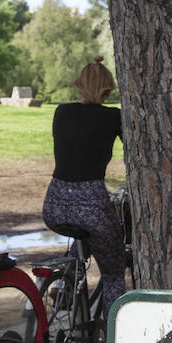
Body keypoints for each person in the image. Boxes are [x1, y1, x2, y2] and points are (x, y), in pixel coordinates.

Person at [42, 57, 126, 314]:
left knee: (82, 237)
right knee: (113, 273)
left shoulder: (62, 111)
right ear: (108, 88)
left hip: (54, 204)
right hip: (92, 205)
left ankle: (67, 283)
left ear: (78, 85)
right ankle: (115, 339)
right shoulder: (113, 117)